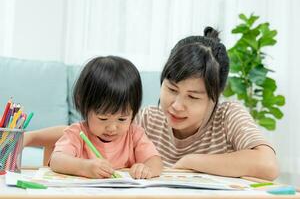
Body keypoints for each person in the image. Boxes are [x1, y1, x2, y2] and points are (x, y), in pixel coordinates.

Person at [24, 27, 279, 180]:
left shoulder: (228, 116)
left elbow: (267, 165)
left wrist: (189, 161)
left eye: (193, 97)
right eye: (171, 89)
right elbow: (88, 130)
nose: (176, 105)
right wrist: (32, 137)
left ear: (215, 95)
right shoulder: (149, 118)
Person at [48, 56, 162, 179]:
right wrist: (84, 167)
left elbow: (155, 162)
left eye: (122, 119)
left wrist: (145, 169)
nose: (112, 128)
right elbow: (56, 160)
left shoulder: (134, 135)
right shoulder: (77, 133)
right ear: (84, 106)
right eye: (103, 118)